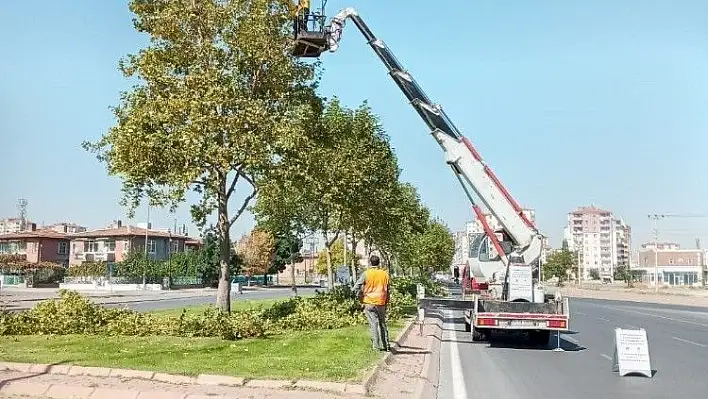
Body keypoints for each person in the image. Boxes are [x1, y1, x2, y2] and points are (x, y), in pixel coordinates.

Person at [353, 254, 391, 351]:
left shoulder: (366, 274)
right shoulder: (385, 274)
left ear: (370, 263)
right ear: (379, 263)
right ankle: (386, 345)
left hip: (369, 302)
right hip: (381, 302)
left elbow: (356, 286)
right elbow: (388, 290)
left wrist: (358, 295)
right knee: (382, 323)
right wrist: (387, 301)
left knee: (373, 324)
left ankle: (376, 346)